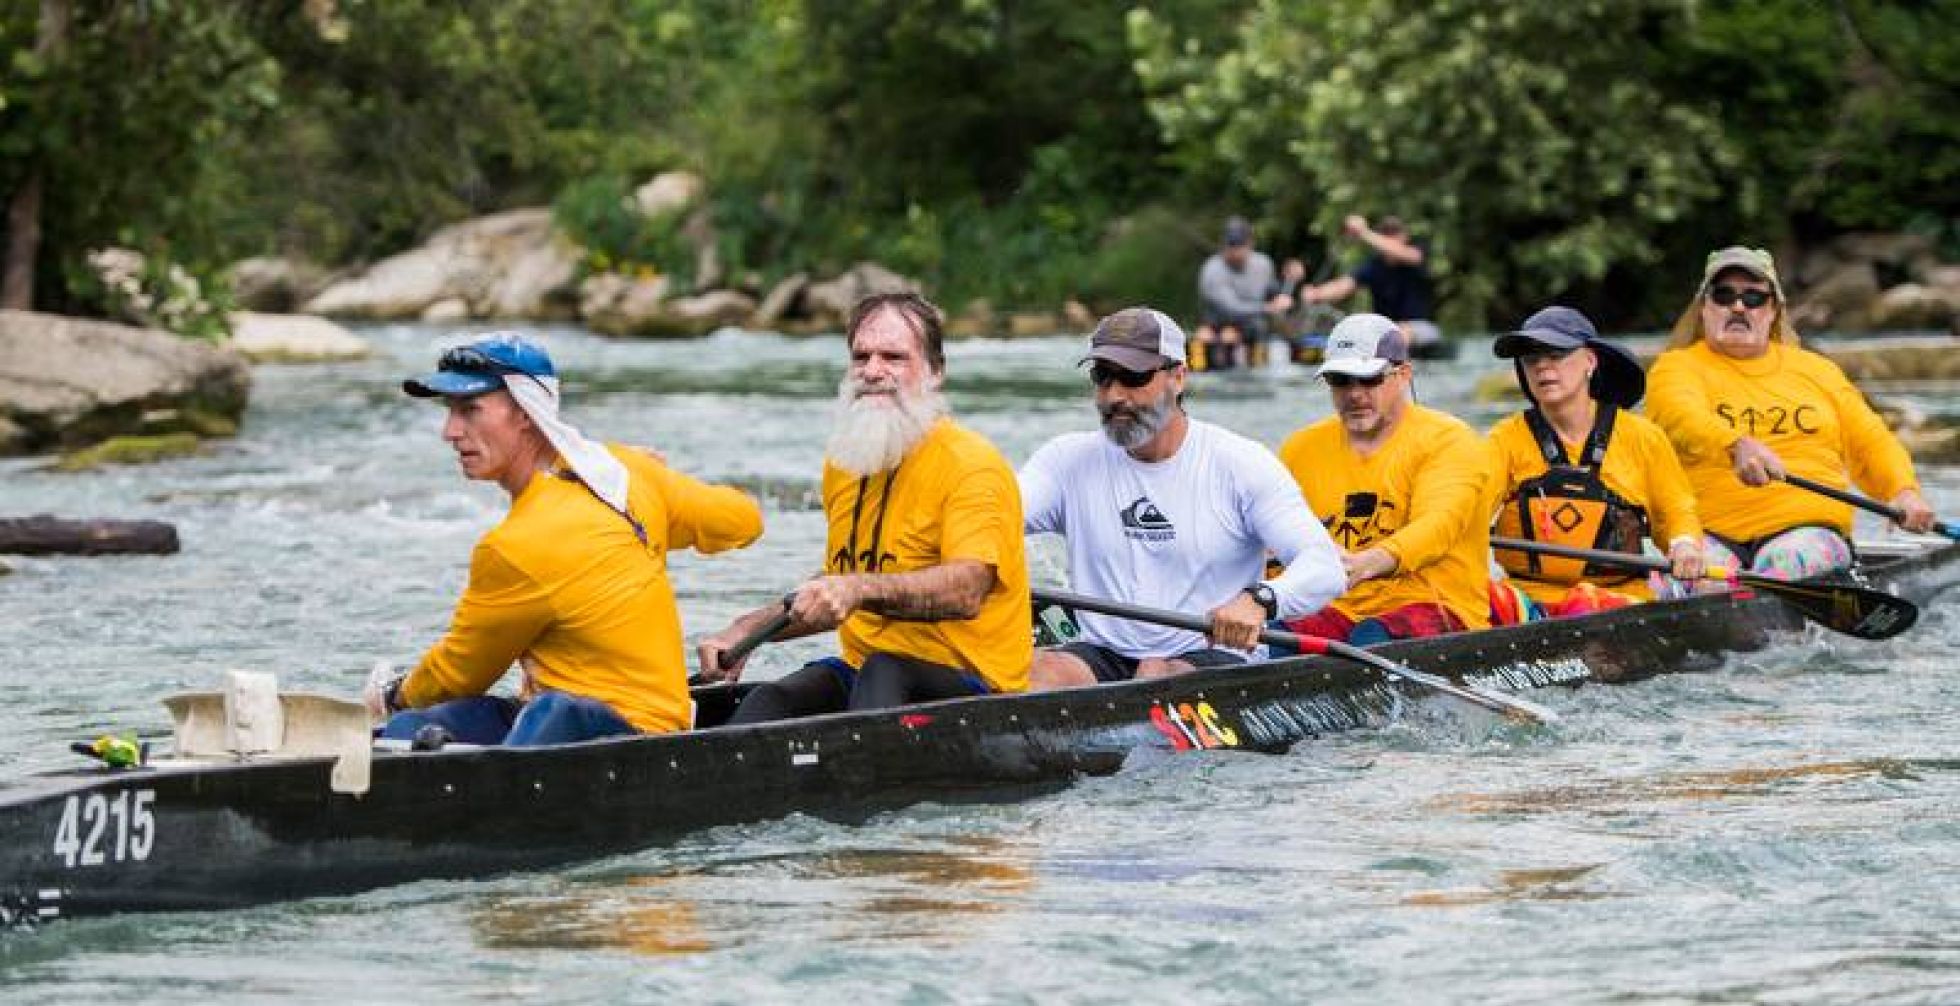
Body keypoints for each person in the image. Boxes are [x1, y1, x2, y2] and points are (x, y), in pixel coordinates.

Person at [368, 333, 764, 746]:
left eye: (470, 409)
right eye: (450, 410)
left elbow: (459, 674)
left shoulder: (515, 546)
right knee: (409, 731)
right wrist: (656, 484)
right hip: (553, 718)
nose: (450, 431)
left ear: (525, 414)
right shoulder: (624, 473)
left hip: (635, 731)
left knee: (546, 711)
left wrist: (394, 695)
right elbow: (745, 520)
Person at [695, 293, 1031, 721]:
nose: (873, 371)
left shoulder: (972, 465)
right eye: (861, 356)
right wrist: (747, 630)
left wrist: (857, 590)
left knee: (884, 672)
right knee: (767, 702)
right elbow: (837, 585)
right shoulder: (846, 463)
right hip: (865, 675)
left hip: (972, 683)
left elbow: (967, 590)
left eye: (893, 357)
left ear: (935, 373)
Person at [1019, 307, 1346, 688]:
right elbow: (994, 520)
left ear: (1178, 377)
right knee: (1033, 673)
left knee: (1156, 674)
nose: (1114, 395)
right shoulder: (1065, 460)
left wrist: (1261, 600)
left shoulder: (1240, 463)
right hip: (1104, 651)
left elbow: (1324, 566)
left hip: (1212, 651)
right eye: (1102, 377)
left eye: (1133, 377)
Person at [1646, 246, 1937, 579]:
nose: (1738, 306)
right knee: (1684, 582)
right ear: (1703, 310)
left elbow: (1870, 440)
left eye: (1753, 298)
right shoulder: (1674, 369)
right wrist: (1735, 443)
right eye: (1724, 295)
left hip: (1805, 530)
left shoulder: (1819, 371)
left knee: (1782, 565)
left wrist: (1903, 491)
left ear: (1773, 312)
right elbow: (1681, 417)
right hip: (1709, 535)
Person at [1275, 314, 1493, 642]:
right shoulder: (1300, 448)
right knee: (1270, 639)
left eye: (1369, 379)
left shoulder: (1450, 441)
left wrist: (1366, 564)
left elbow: (1437, 527)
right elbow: (1271, 532)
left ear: (1403, 375)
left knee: (1371, 637)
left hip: (1433, 604)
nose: (1354, 394)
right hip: (1337, 607)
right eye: (1340, 380)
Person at [1486, 306, 1706, 618]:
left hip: (1616, 602)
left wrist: (1684, 546)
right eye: (1531, 358)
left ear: (1590, 361)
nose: (1542, 367)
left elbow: (1676, 513)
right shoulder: (1503, 439)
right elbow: (1468, 511)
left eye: (1556, 354)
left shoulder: (1643, 437)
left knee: (1583, 602)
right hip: (1528, 603)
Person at [1299, 215, 1440, 351]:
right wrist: (1316, 294)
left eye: (1394, 233)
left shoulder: (1415, 254)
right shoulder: (1373, 266)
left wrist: (1363, 232)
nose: (1389, 238)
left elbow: (1407, 254)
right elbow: (1343, 286)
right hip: (1383, 331)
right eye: (1386, 233)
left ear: (1405, 236)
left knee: (1399, 332)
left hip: (1421, 328)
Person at [1193, 216, 1302, 371]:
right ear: (1223, 245)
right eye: (1231, 245)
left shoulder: (1263, 264)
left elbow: (1273, 293)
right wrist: (1267, 308)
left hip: (1254, 332)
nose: (1235, 251)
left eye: (1240, 245)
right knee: (1220, 335)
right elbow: (1230, 308)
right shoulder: (1212, 270)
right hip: (1219, 331)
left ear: (1250, 244)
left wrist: (1289, 279)